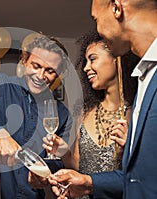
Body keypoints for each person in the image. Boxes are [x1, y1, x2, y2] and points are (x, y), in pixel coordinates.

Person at [48, 0, 157, 198]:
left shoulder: (136, 101)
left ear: (116, 7)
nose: (86, 68)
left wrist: (129, 151)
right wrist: (87, 181)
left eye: (95, 18)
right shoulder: (145, 78)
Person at [0, 34, 73, 199]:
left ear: (59, 73)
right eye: (36, 66)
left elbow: (58, 162)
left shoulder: (62, 114)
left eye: (50, 71)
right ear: (24, 62)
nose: (40, 75)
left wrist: (44, 175)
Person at [38, 30, 139, 199]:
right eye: (85, 61)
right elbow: (78, 164)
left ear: (116, 58)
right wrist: (64, 153)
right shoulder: (83, 112)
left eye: (92, 59)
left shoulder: (138, 112)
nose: (85, 68)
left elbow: (143, 176)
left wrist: (127, 151)